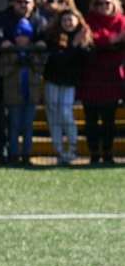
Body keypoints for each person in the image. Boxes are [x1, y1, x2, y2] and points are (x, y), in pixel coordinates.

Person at [40, 10, 91, 165]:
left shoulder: (84, 39)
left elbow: (85, 58)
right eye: (65, 20)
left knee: (65, 113)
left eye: (71, 19)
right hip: (53, 80)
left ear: (78, 21)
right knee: (53, 115)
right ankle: (60, 150)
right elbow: (58, 60)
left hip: (70, 83)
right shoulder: (54, 38)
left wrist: (76, 45)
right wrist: (72, 46)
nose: (68, 23)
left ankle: (73, 147)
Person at [80, 0, 125, 165]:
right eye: (99, 3)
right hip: (91, 76)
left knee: (109, 120)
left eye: (107, 3)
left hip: (113, 76)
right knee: (91, 119)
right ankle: (94, 153)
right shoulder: (88, 21)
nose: (104, 6)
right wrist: (114, 40)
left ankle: (107, 152)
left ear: (114, 4)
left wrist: (108, 42)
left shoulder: (121, 21)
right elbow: (92, 41)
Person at [0, 20, 47, 166]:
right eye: (18, 35)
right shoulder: (8, 52)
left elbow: (41, 69)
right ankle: (14, 154)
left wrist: (30, 59)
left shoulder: (35, 52)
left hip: (31, 93)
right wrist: (16, 60)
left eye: (24, 35)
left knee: (28, 126)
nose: (21, 38)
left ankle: (26, 155)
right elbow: (2, 71)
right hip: (13, 94)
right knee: (14, 126)